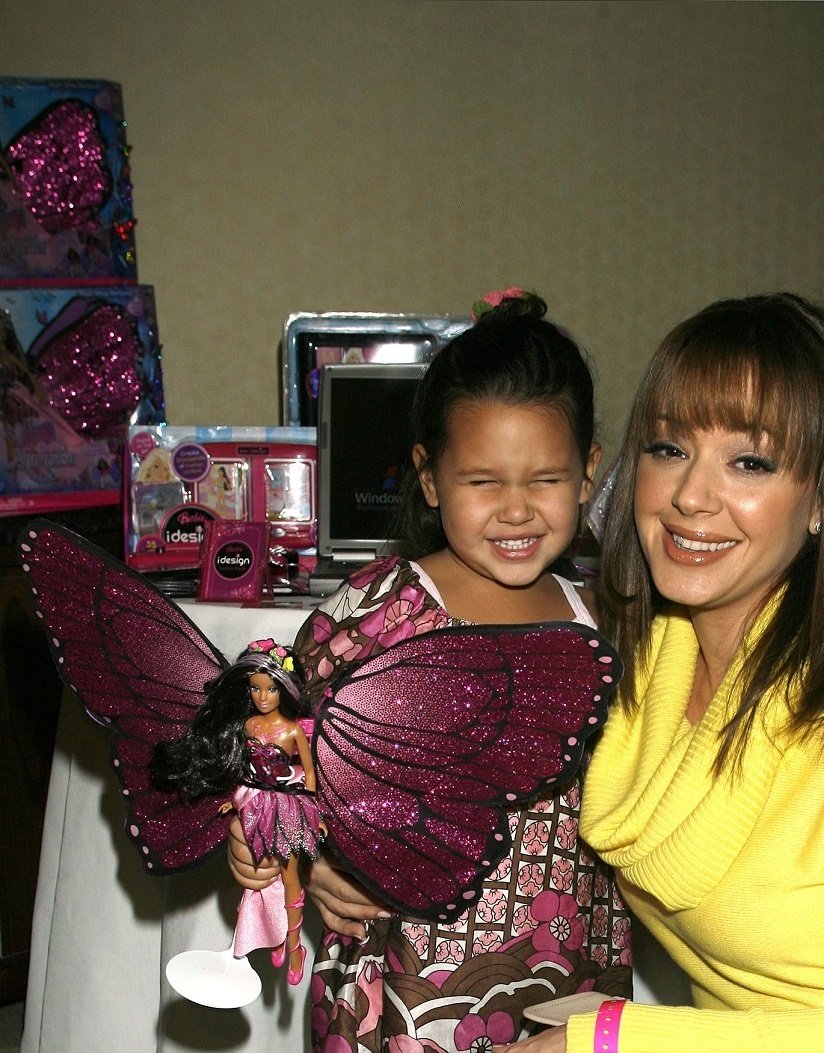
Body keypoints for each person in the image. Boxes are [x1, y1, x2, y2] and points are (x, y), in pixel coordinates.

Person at [500, 293, 824, 1053]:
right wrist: (344, 867)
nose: (690, 496)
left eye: (750, 461)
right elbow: (503, 799)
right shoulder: (646, 657)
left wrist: (612, 1043)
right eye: (670, 448)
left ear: (821, 498)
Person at [229, 290, 632, 1052]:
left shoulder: (612, 623)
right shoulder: (382, 609)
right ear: (428, 477)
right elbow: (272, 749)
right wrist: (298, 857)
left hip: (577, 987)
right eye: (483, 481)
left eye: (544, 479)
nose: (515, 510)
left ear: (588, 474)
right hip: (402, 995)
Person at [152, 637, 319, 985]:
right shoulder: (246, 727)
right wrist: (237, 799)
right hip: (252, 799)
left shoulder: (292, 731)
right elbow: (243, 768)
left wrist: (313, 813)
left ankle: (294, 944)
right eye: (255, 689)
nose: (261, 697)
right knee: (255, 875)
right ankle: (269, 935)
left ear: (283, 690)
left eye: (270, 689)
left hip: (286, 801)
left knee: (289, 875)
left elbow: (310, 774)